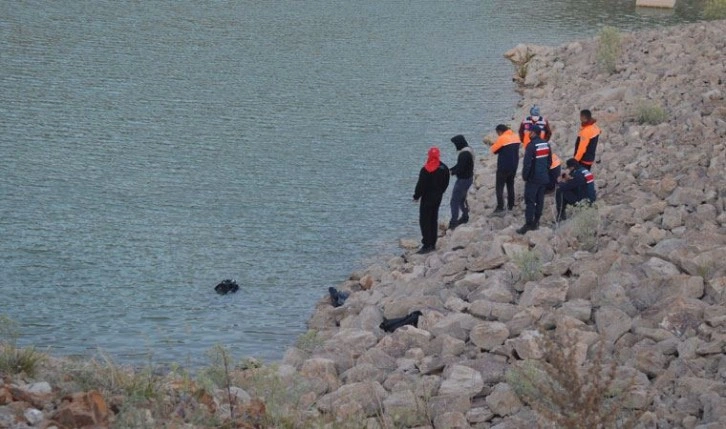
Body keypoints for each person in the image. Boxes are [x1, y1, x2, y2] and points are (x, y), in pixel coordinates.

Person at [413, 147, 450, 254]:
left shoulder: (425, 169)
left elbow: (421, 185)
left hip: (427, 198)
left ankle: (426, 244)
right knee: (434, 218)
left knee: (424, 220)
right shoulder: (444, 168)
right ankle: (433, 243)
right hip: (438, 197)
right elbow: (446, 183)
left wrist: (416, 196)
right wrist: (441, 192)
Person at [517, 125, 552, 234]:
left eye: (529, 132)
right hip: (544, 178)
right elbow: (549, 162)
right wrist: (544, 172)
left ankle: (528, 224)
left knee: (530, 201)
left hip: (533, 179)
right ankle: (536, 222)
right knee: (540, 200)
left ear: (533, 133)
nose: (528, 133)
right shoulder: (546, 144)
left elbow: (527, 164)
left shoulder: (531, 146)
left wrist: (525, 176)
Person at [490, 124, 521, 216]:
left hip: (503, 167)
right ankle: (511, 205)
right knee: (510, 185)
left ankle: (500, 207)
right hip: (514, 165)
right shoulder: (516, 137)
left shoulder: (502, 138)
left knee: (499, 187)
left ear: (500, 131)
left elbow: (494, 150)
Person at [449, 135, 474, 229]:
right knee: (462, 199)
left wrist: (452, 172)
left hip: (463, 180)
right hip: (469, 178)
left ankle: (453, 222)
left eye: (455, 144)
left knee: (454, 201)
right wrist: (451, 169)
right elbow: (460, 165)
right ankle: (465, 216)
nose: (455, 146)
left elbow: (460, 168)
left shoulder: (464, 154)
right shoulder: (468, 150)